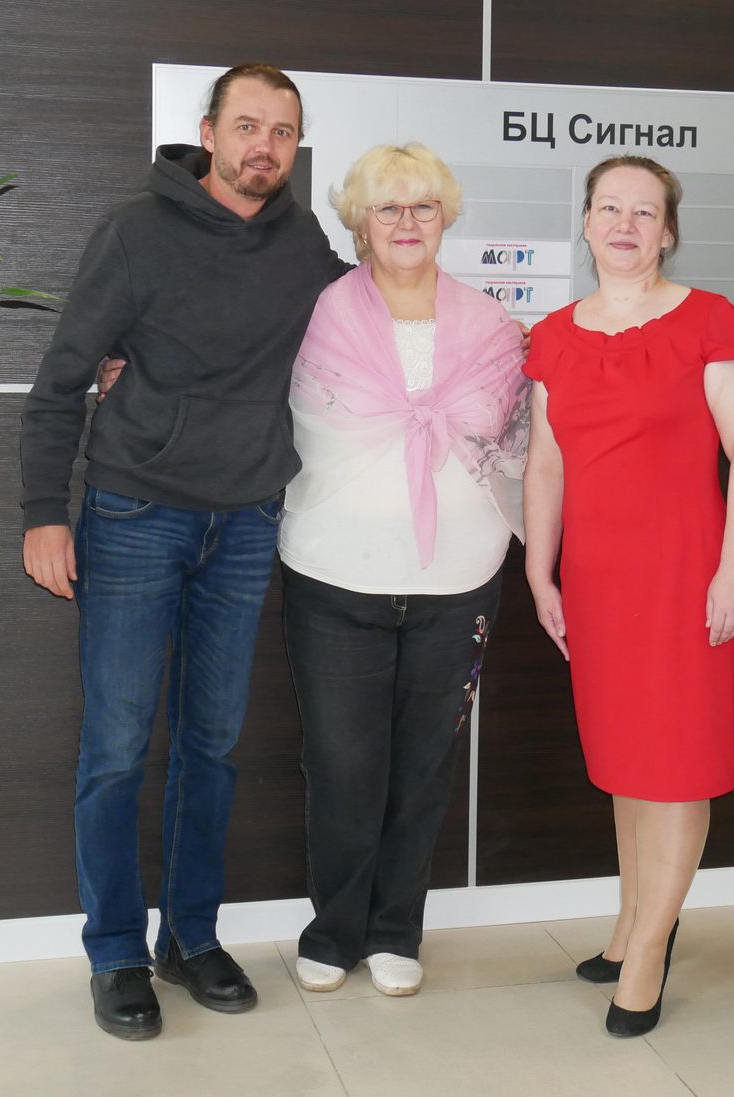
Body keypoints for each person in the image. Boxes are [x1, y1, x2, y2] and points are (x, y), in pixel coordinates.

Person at [19, 63, 349, 1040]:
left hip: (245, 522)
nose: (264, 146)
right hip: (135, 514)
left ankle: (191, 936)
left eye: (282, 131)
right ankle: (117, 948)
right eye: (247, 125)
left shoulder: (304, 244)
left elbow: (375, 314)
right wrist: (44, 512)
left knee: (212, 744)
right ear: (209, 132)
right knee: (117, 747)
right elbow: (62, 378)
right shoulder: (135, 230)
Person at [523, 155, 734, 1037]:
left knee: (675, 768)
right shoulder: (554, 335)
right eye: (608, 208)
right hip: (598, 579)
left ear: (668, 231)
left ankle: (651, 952)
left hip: (685, 574)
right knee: (629, 764)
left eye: (644, 211)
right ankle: (632, 922)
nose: (624, 224)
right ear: (587, 223)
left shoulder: (708, 319)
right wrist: (540, 571)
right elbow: (545, 463)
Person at [280, 144, 528, 998]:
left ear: (447, 216)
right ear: (359, 222)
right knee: (341, 766)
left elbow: (519, 441)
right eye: (387, 207)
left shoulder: (492, 325)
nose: (407, 222)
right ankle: (334, 929)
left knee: (423, 767)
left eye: (423, 205)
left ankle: (395, 929)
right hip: (332, 574)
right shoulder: (317, 314)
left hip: (459, 581)